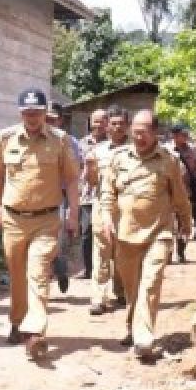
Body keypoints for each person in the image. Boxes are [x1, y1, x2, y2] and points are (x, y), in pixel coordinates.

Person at [0, 89, 80, 360]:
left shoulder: (60, 141)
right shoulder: (5, 138)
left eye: (37, 113)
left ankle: (35, 330)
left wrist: (73, 213)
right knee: (17, 274)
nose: (32, 118)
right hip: (13, 218)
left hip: (47, 219)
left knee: (38, 272)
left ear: (45, 113)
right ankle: (18, 322)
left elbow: (72, 179)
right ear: (20, 113)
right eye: (27, 113)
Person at [99, 110, 193, 361]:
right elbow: (108, 193)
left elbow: (179, 195)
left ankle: (143, 337)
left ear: (155, 133)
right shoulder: (118, 158)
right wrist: (107, 217)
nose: (138, 137)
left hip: (158, 234)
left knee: (150, 283)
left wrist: (186, 221)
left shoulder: (168, 160)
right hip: (125, 235)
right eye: (135, 132)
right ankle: (132, 327)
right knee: (132, 288)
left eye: (144, 132)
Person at [84, 105, 131, 316]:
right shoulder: (97, 151)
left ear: (127, 126)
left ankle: (121, 291)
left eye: (121, 124)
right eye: (113, 124)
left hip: (128, 209)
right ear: (107, 126)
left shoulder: (135, 150)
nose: (117, 128)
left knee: (123, 251)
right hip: (102, 207)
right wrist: (91, 169)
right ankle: (98, 297)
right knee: (101, 251)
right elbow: (92, 183)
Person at [45, 103, 80, 294]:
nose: (49, 123)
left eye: (53, 119)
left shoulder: (69, 142)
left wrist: (72, 208)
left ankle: (59, 266)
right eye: (46, 119)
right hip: (37, 199)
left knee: (56, 240)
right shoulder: (33, 139)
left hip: (60, 197)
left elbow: (74, 176)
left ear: (61, 120)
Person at [164, 122, 196, 264]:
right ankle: (167, 254)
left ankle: (181, 252)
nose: (186, 136)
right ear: (174, 135)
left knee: (184, 224)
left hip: (185, 193)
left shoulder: (192, 151)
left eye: (187, 134)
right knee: (167, 225)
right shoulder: (165, 150)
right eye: (182, 134)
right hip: (167, 194)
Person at [78, 109, 108, 278]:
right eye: (96, 121)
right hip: (86, 195)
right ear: (91, 123)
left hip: (106, 194)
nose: (99, 125)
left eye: (103, 121)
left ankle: (104, 268)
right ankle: (88, 268)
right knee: (86, 232)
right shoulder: (82, 144)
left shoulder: (111, 144)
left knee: (105, 232)